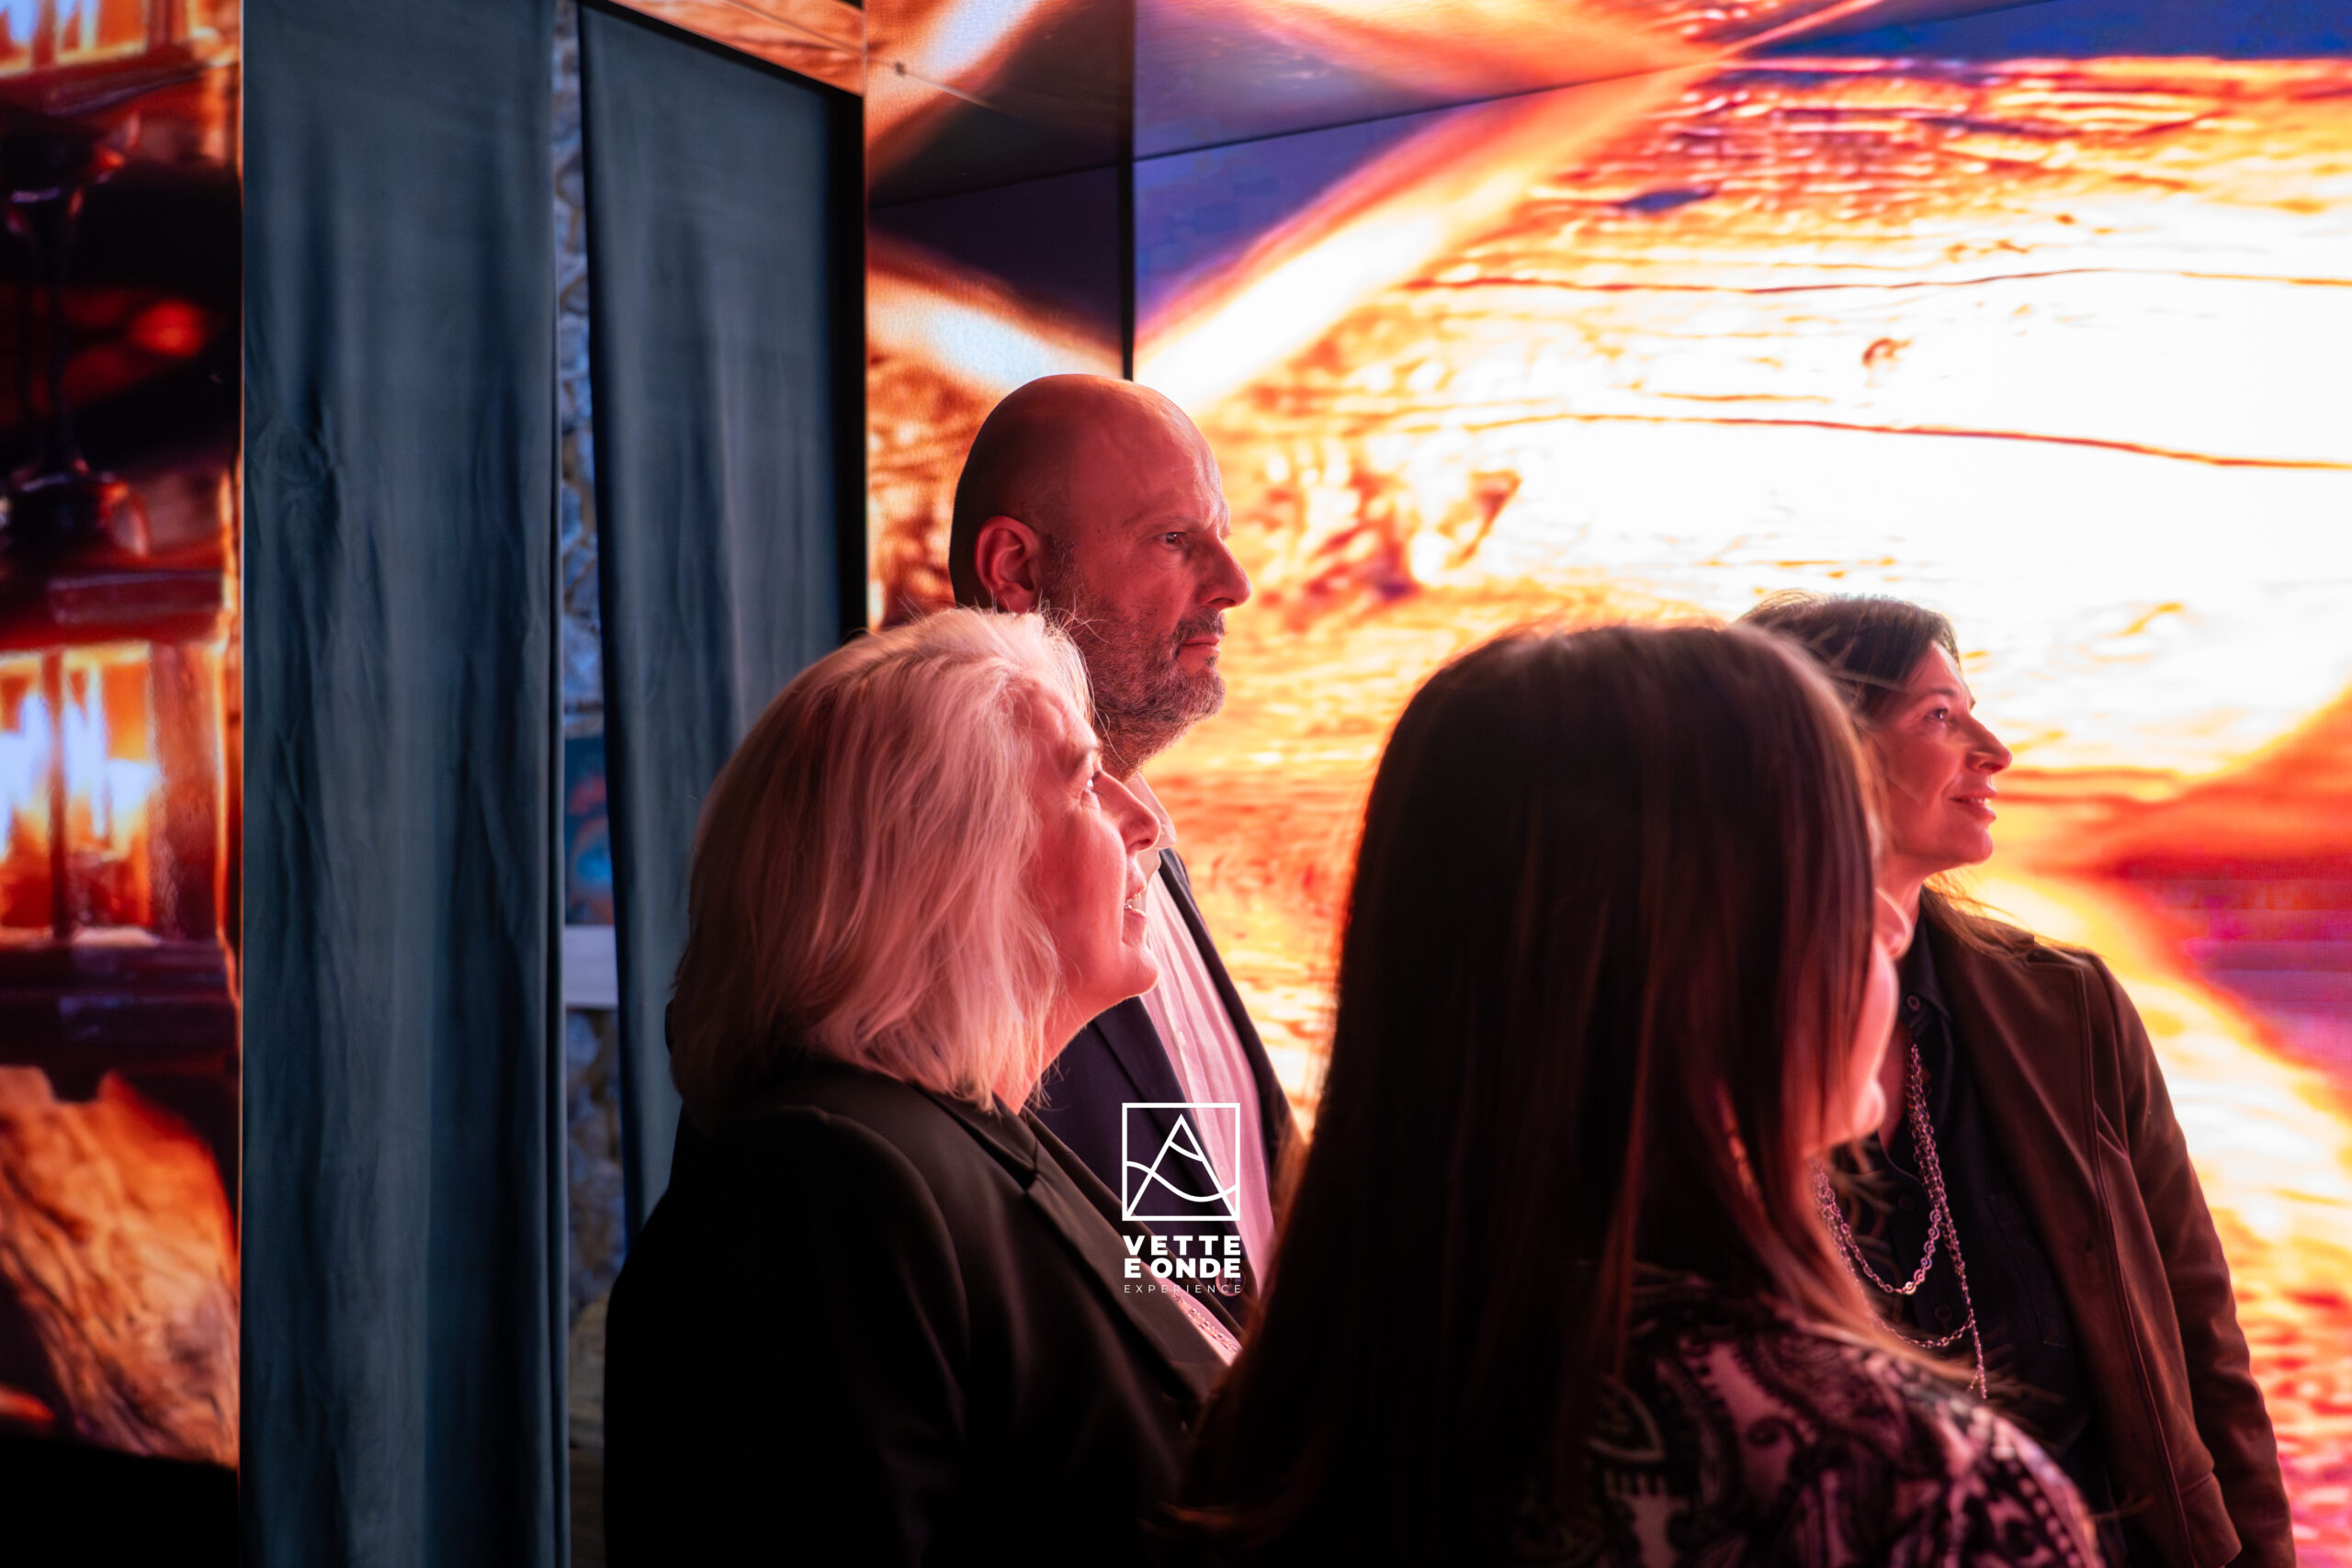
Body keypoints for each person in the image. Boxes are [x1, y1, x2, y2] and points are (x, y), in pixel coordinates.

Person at [1180, 623, 2102, 1566]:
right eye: (1846, 869)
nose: (1889, 925)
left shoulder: (1267, 1430)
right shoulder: (1921, 1492)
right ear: (1702, 961)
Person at [602, 609, 1240, 1565]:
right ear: (945, 861)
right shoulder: (819, 1184)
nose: (1144, 821)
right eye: (1082, 782)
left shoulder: (962, 1143)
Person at [1740, 592, 2290, 1568]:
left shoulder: (2069, 1008)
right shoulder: (1689, 1039)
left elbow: (2203, 1337)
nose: (1993, 751)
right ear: (1823, 752)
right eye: (1939, 717)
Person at [948, 373, 1296, 1293]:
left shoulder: (1143, 831)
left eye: (1218, 534)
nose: (1234, 585)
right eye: (1174, 540)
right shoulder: (916, 885)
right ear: (1016, 571)